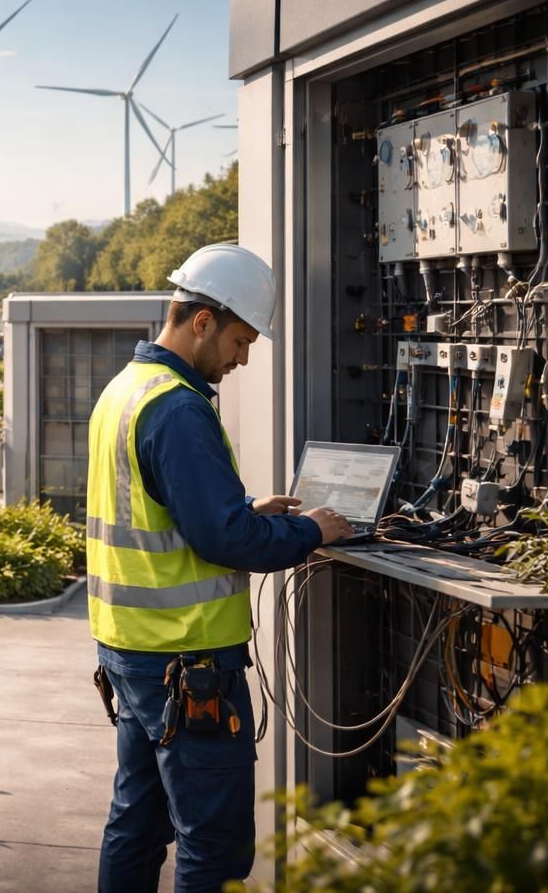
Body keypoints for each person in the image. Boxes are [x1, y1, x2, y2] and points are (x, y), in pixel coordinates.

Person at [87, 244, 352, 893]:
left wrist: (247, 509)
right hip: (188, 663)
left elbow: (167, 513)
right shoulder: (178, 407)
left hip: (131, 652)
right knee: (215, 847)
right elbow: (225, 540)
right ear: (202, 321)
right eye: (239, 340)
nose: (242, 358)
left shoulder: (126, 390)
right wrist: (307, 530)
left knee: (137, 825)